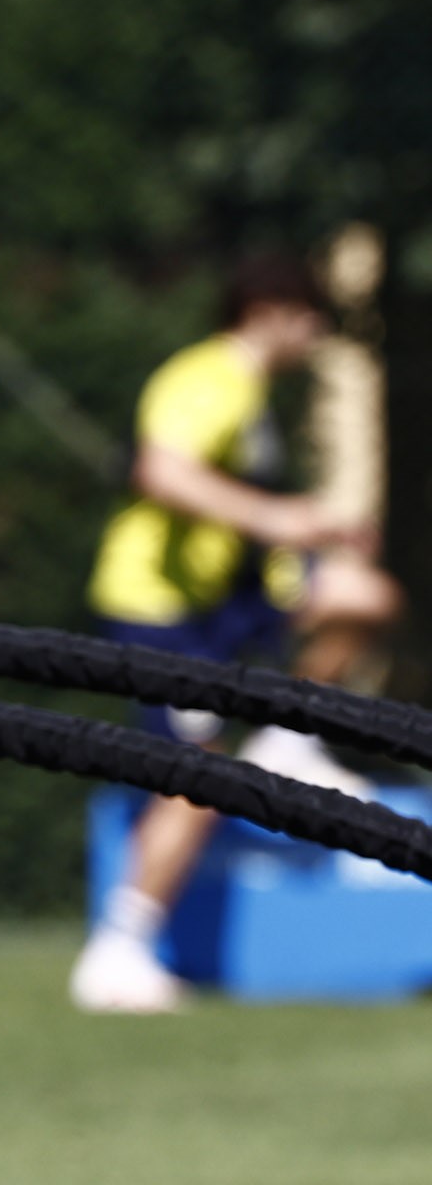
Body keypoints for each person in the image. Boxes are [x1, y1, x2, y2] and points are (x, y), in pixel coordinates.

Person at [68, 252, 402, 1014]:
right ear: (274, 312)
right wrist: (278, 517)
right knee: (197, 780)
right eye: (313, 318)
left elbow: (240, 522)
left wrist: (313, 537)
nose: (316, 337)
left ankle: (290, 737)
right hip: (161, 609)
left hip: (225, 604)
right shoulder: (207, 379)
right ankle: (117, 949)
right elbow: (161, 471)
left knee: (365, 597)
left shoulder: (250, 395)